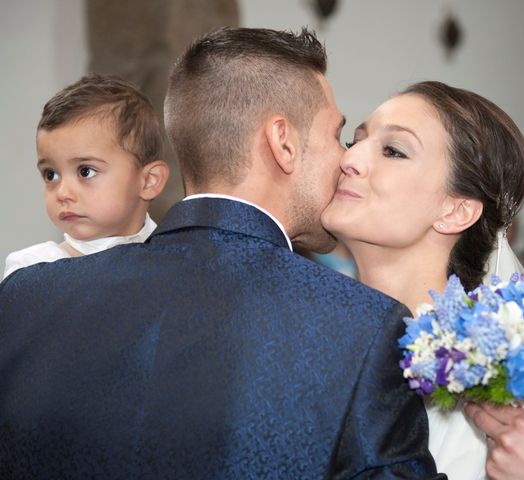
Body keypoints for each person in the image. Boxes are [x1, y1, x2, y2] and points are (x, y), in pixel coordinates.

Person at [0, 28, 443, 479]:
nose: (346, 158)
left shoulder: (25, 297)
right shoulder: (362, 328)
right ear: (283, 143)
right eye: (338, 134)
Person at [321, 81, 524, 479]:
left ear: (455, 211)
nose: (349, 159)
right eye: (355, 140)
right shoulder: (308, 337)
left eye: (393, 150)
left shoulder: (512, 373)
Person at [3, 74, 169, 279]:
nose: (63, 193)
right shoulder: (32, 270)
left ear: (149, 181)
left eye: (85, 171)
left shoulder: (177, 260)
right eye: (51, 174)